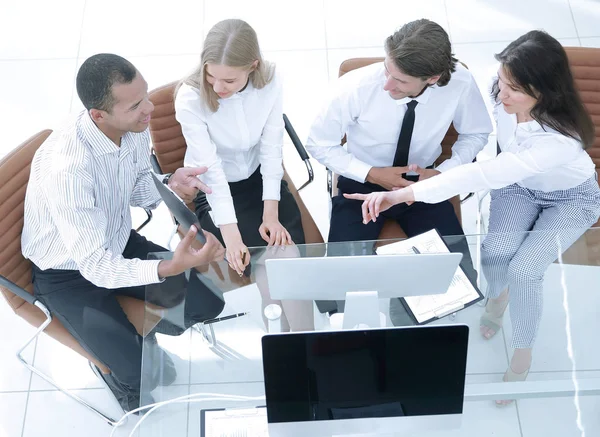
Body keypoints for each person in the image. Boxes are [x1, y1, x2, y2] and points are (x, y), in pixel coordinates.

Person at [344, 30, 600, 404]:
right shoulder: (500, 93)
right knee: (495, 253)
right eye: (502, 81)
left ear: (543, 92)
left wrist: (403, 194)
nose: (501, 93)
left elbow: (486, 174)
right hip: (519, 187)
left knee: (525, 270)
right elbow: (489, 148)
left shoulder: (561, 139)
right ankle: (497, 300)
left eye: (514, 89)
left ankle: (523, 355)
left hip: (570, 199)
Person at [21, 53, 227, 413]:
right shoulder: (68, 171)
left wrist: (171, 184)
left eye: (145, 95)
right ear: (98, 115)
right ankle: (122, 366)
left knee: (209, 303)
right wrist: (167, 268)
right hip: (69, 273)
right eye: (136, 105)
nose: (149, 109)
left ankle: (129, 336)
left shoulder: (130, 128)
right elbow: (97, 268)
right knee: (143, 376)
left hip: (116, 240)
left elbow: (136, 189)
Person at [305, 19, 492, 313]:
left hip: (422, 184)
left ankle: (407, 322)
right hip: (362, 184)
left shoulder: (461, 83)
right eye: (387, 70)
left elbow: (477, 132)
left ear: (432, 78)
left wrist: (444, 172)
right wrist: (371, 174)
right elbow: (318, 142)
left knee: (457, 283)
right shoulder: (356, 87)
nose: (386, 84)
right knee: (337, 290)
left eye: (400, 81)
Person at [174, 19, 311, 331]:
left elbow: (272, 147)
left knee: (285, 262)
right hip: (215, 191)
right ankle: (291, 348)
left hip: (259, 181)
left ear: (253, 66)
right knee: (271, 284)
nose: (218, 88)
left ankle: (306, 345)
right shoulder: (190, 98)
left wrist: (271, 212)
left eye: (229, 81)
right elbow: (214, 172)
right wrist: (233, 237)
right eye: (211, 76)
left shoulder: (271, 80)